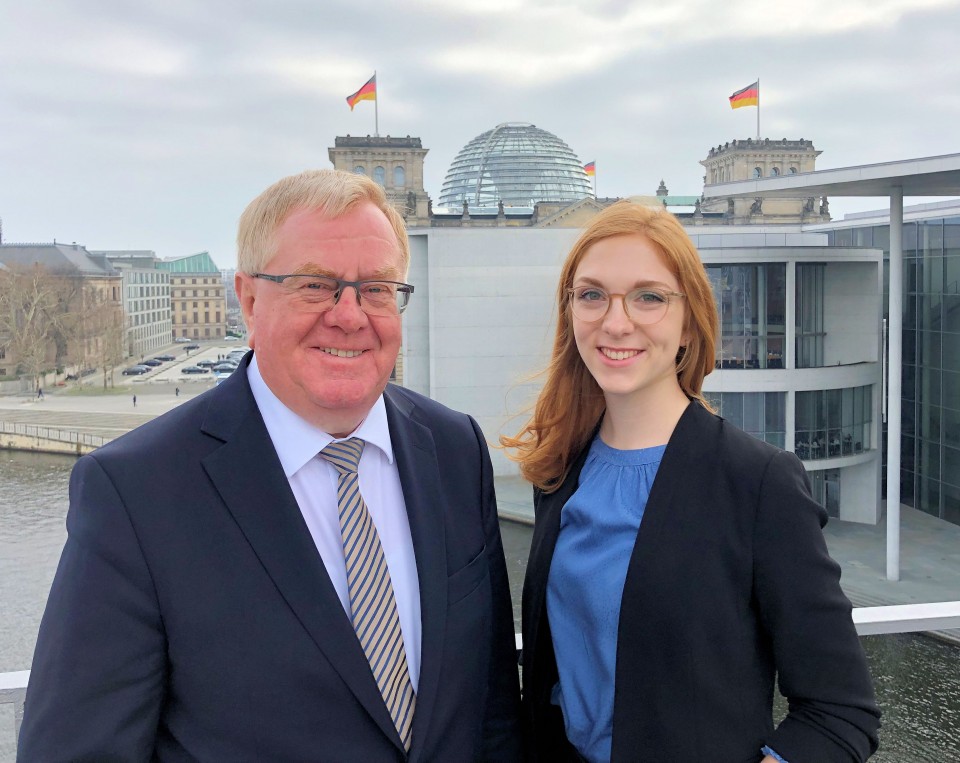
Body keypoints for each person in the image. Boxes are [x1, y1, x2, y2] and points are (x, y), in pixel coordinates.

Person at [20, 169, 521, 761]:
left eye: (379, 288)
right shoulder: (136, 492)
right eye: (315, 285)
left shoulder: (455, 448)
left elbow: (491, 712)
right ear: (250, 300)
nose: (350, 315)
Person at [502, 201, 879, 762]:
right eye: (592, 294)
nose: (615, 320)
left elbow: (840, 713)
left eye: (649, 296)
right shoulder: (562, 468)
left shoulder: (757, 482)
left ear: (688, 323)